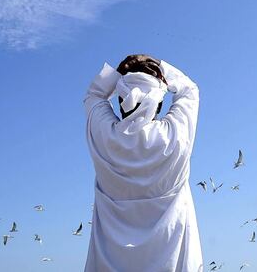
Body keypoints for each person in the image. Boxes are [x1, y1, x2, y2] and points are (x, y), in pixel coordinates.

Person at [83, 54, 202, 272]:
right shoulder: (174, 137)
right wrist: (159, 65)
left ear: (120, 100)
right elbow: (189, 90)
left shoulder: (105, 139)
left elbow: (94, 95)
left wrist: (120, 71)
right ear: (158, 102)